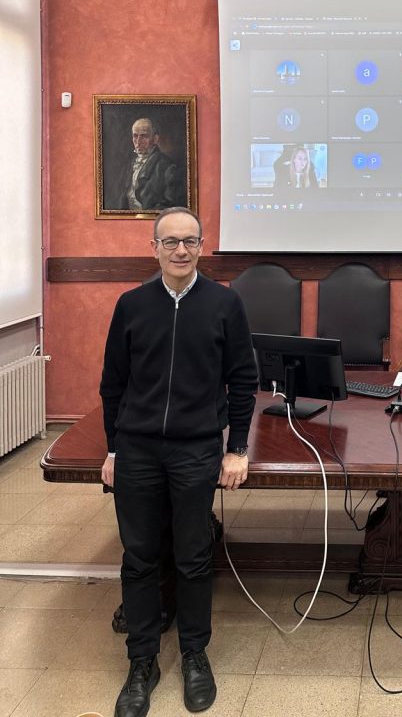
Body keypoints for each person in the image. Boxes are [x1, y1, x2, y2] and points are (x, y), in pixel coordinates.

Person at [100, 207, 257, 717]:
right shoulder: (131, 305)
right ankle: (142, 662)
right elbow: (113, 384)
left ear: (202, 246)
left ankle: (194, 654)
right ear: (154, 248)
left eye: (190, 241)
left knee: (192, 558)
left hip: (196, 449)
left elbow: (243, 380)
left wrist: (236, 448)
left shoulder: (225, 304)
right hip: (138, 450)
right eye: (170, 242)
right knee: (140, 558)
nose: (181, 250)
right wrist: (113, 449)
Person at [116, 117, 180, 211]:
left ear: (155, 139)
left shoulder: (168, 167)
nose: (138, 141)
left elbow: (171, 207)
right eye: (135, 136)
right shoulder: (129, 166)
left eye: (144, 136)